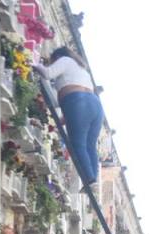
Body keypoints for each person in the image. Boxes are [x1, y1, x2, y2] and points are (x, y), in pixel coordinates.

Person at [34, 46, 103, 187]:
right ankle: (93, 178)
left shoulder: (65, 60)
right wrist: (63, 120)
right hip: (95, 105)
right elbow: (75, 108)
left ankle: (89, 179)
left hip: (77, 101)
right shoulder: (82, 71)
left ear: (57, 57)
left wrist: (34, 64)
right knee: (90, 145)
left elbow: (47, 73)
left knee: (78, 144)